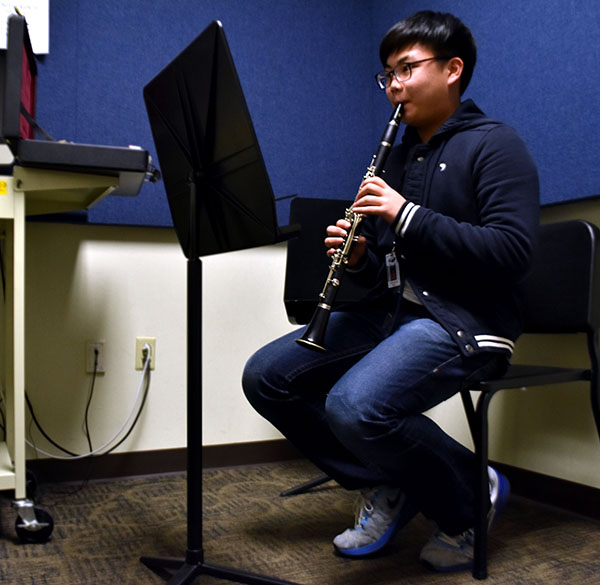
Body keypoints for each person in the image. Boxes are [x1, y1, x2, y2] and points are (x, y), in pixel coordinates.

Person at [242, 10, 539, 573]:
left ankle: (469, 500)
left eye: (407, 69)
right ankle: (390, 484)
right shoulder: (398, 157)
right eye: (387, 75)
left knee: (354, 406)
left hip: (469, 319)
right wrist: (358, 258)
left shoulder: (496, 145)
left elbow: (513, 252)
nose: (394, 86)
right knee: (268, 377)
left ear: (453, 70)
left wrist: (406, 215)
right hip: (395, 317)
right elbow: (390, 270)